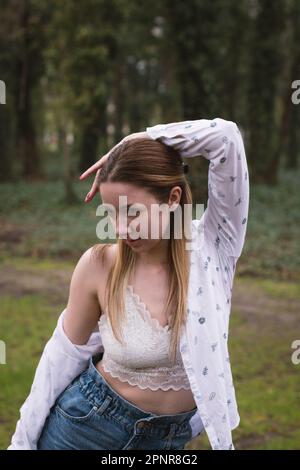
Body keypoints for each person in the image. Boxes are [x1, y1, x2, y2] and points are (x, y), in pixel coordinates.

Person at [8, 117, 249, 450]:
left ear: (173, 198)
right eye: (111, 213)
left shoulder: (215, 245)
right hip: (83, 431)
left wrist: (136, 140)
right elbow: (59, 359)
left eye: (132, 212)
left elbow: (226, 138)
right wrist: (22, 443)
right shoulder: (100, 265)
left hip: (166, 445)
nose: (120, 228)